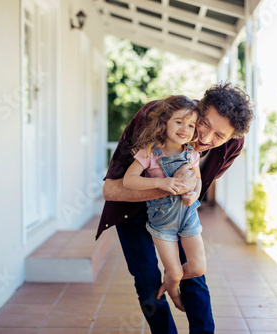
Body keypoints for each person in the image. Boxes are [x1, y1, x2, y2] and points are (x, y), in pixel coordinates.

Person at [96, 82, 254, 334]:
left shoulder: (232, 143)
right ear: (199, 109)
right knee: (147, 280)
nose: (205, 138)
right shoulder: (155, 116)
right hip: (133, 210)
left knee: (194, 275)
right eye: (204, 124)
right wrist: (167, 186)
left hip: (178, 213)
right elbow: (111, 190)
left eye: (219, 136)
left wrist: (187, 183)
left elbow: (200, 181)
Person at [122, 95, 205, 312]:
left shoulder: (192, 154)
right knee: (177, 273)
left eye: (191, 125)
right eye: (178, 121)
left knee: (197, 267)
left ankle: (170, 278)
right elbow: (129, 180)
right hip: (162, 222)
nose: (184, 128)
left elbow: (197, 180)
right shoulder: (150, 151)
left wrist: (195, 194)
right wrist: (160, 182)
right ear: (164, 122)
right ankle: (175, 292)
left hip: (188, 216)